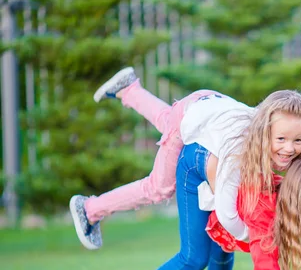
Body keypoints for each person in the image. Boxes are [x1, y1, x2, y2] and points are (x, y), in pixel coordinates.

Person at [113, 87, 301, 270]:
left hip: (215, 159)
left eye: (297, 140)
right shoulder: (238, 156)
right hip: (195, 165)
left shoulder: (284, 147)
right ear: (265, 133)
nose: (289, 148)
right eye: (281, 139)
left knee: (223, 243)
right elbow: (228, 216)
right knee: (194, 257)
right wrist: (259, 236)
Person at [69, 67, 223, 251]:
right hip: (199, 116)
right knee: (158, 188)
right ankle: (89, 209)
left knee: (169, 120)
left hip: (208, 102)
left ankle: (129, 89)